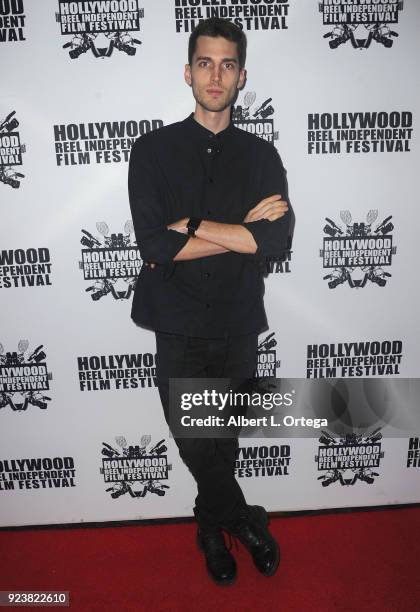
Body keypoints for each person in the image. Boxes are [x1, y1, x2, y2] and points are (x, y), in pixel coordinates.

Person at [128, 17, 290, 586]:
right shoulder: (151, 150)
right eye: (205, 63)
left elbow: (273, 241)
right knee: (196, 438)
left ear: (242, 76)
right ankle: (243, 519)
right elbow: (152, 244)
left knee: (223, 440)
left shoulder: (261, 156)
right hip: (175, 324)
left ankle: (208, 527)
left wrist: (192, 225)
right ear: (188, 72)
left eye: (227, 65)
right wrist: (233, 232)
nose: (215, 75)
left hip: (240, 322)